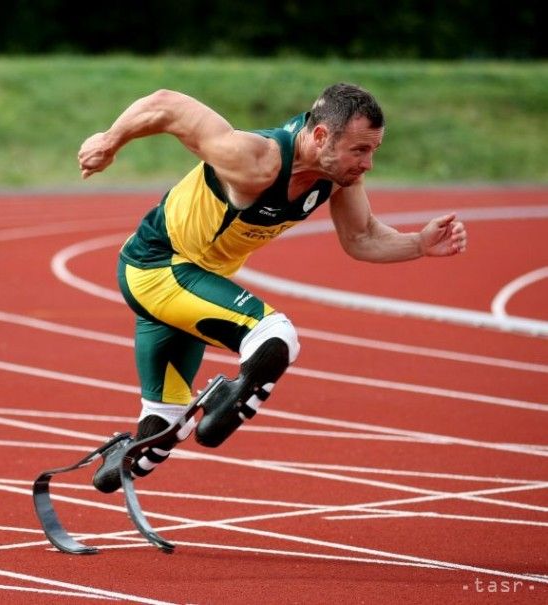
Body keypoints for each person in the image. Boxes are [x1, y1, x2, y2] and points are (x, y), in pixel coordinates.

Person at [78, 83, 468, 493]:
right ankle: (221, 409)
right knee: (275, 335)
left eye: (373, 150)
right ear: (320, 137)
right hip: (158, 267)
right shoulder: (258, 161)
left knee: (166, 424)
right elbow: (167, 105)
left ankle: (121, 459)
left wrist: (419, 244)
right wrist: (108, 141)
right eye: (360, 150)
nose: (368, 163)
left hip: (192, 282)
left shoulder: (336, 174)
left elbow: (362, 237)